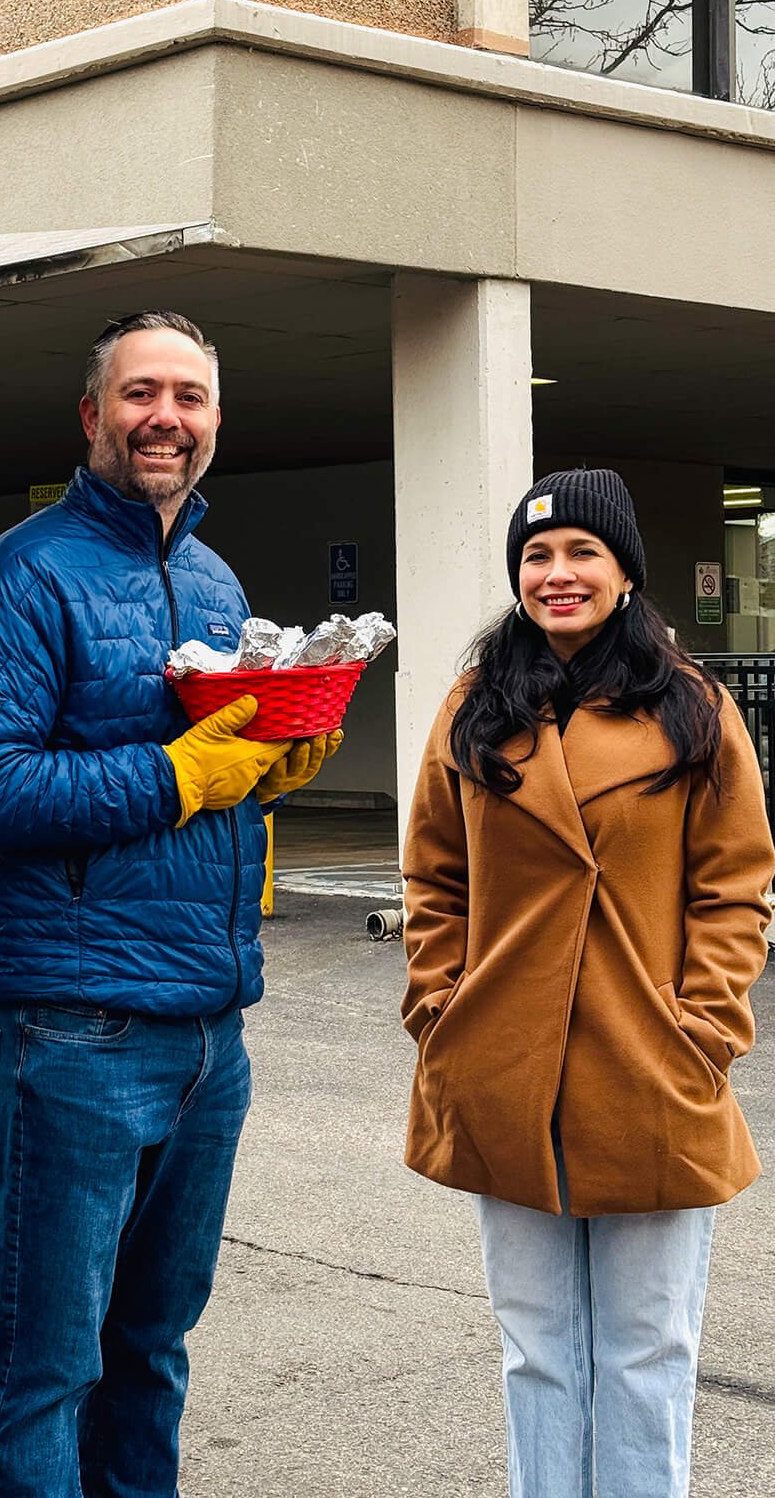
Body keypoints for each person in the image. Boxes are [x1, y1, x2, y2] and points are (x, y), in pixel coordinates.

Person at [0, 309, 340, 1498]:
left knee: (151, 1353)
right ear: (93, 414)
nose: (168, 419)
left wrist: (267, 768)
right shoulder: (23, 573)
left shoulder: (213, 579)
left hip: (213, 1027)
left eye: (191, 399)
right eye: (142, 394)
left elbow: (219, 763)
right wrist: (176, 775)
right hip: (77, 1027)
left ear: (215, 422)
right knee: (48, 1369)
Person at [401, 467, 773, 1498]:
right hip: (503, 1065)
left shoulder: (690, 710)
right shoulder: (477, 707)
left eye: (580, 553)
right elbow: (434, 875)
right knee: (536, 1350)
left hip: (648, 1062)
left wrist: (703, 1031)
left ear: (624, 572)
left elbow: (735, 887)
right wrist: (441, 1008)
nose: (557, 574)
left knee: (647, 1354)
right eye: (536, 556)